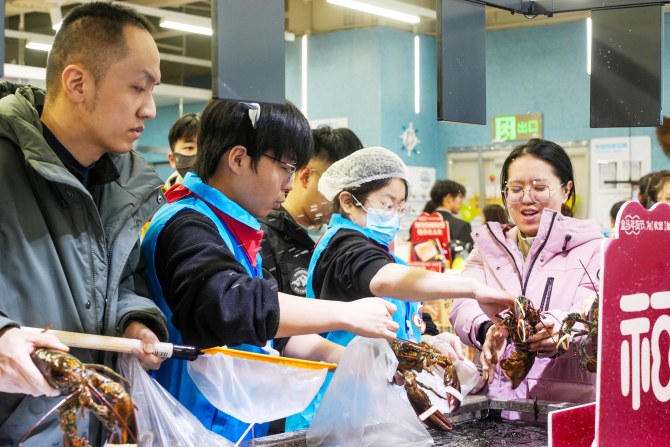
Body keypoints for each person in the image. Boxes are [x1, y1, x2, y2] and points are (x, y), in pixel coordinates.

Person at [141, 100, 398, 443]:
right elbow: (233, 305)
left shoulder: (232, 229)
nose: (289, 185)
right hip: (183, 430)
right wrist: (346, 314)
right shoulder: (186, 223)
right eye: (285, 168)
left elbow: (273, 335)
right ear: (238, 159)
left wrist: (352, 361)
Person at [0, 3, 168, 446]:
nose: (150, 109)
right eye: (138, 88)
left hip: (90, 427)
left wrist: (133, 320)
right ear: (77, 82)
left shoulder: (123, 184)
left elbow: (120, 280)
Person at [285, 146, 514, 431]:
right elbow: (384, 279)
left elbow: (406, 313)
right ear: (348, 201)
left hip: (379, 409)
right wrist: (472, 289)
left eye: (400, 207)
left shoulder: (380, 249)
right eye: (386, 204)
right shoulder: (342, 247)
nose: (394, 215)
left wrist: (430, 338)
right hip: (341, 412)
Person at [449, 138, 602, 420]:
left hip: (560, 409)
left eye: (539, 188)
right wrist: (486, 330)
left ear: (566, 189)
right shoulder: (487, 246)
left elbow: (592, 309)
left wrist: (558, 328)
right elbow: (462, 303)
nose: (526, 198)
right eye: (516, 189)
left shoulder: (594, 248)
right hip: (495, 405)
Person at [260, 125, 363, 296]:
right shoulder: (263, 235)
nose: (345, 202)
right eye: (338, 190)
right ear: (306, 176)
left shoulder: (342, 236)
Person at [427, 179, 474, 247]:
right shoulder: (462, 226)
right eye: (460, 197)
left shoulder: (419, 224)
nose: (461, 202)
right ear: (449, 198)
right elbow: (467, 252)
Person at [165, 113, 200, 188]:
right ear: (172, 160)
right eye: (190, 147)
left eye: (204, 146)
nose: (199, 154)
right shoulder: (164, 194)